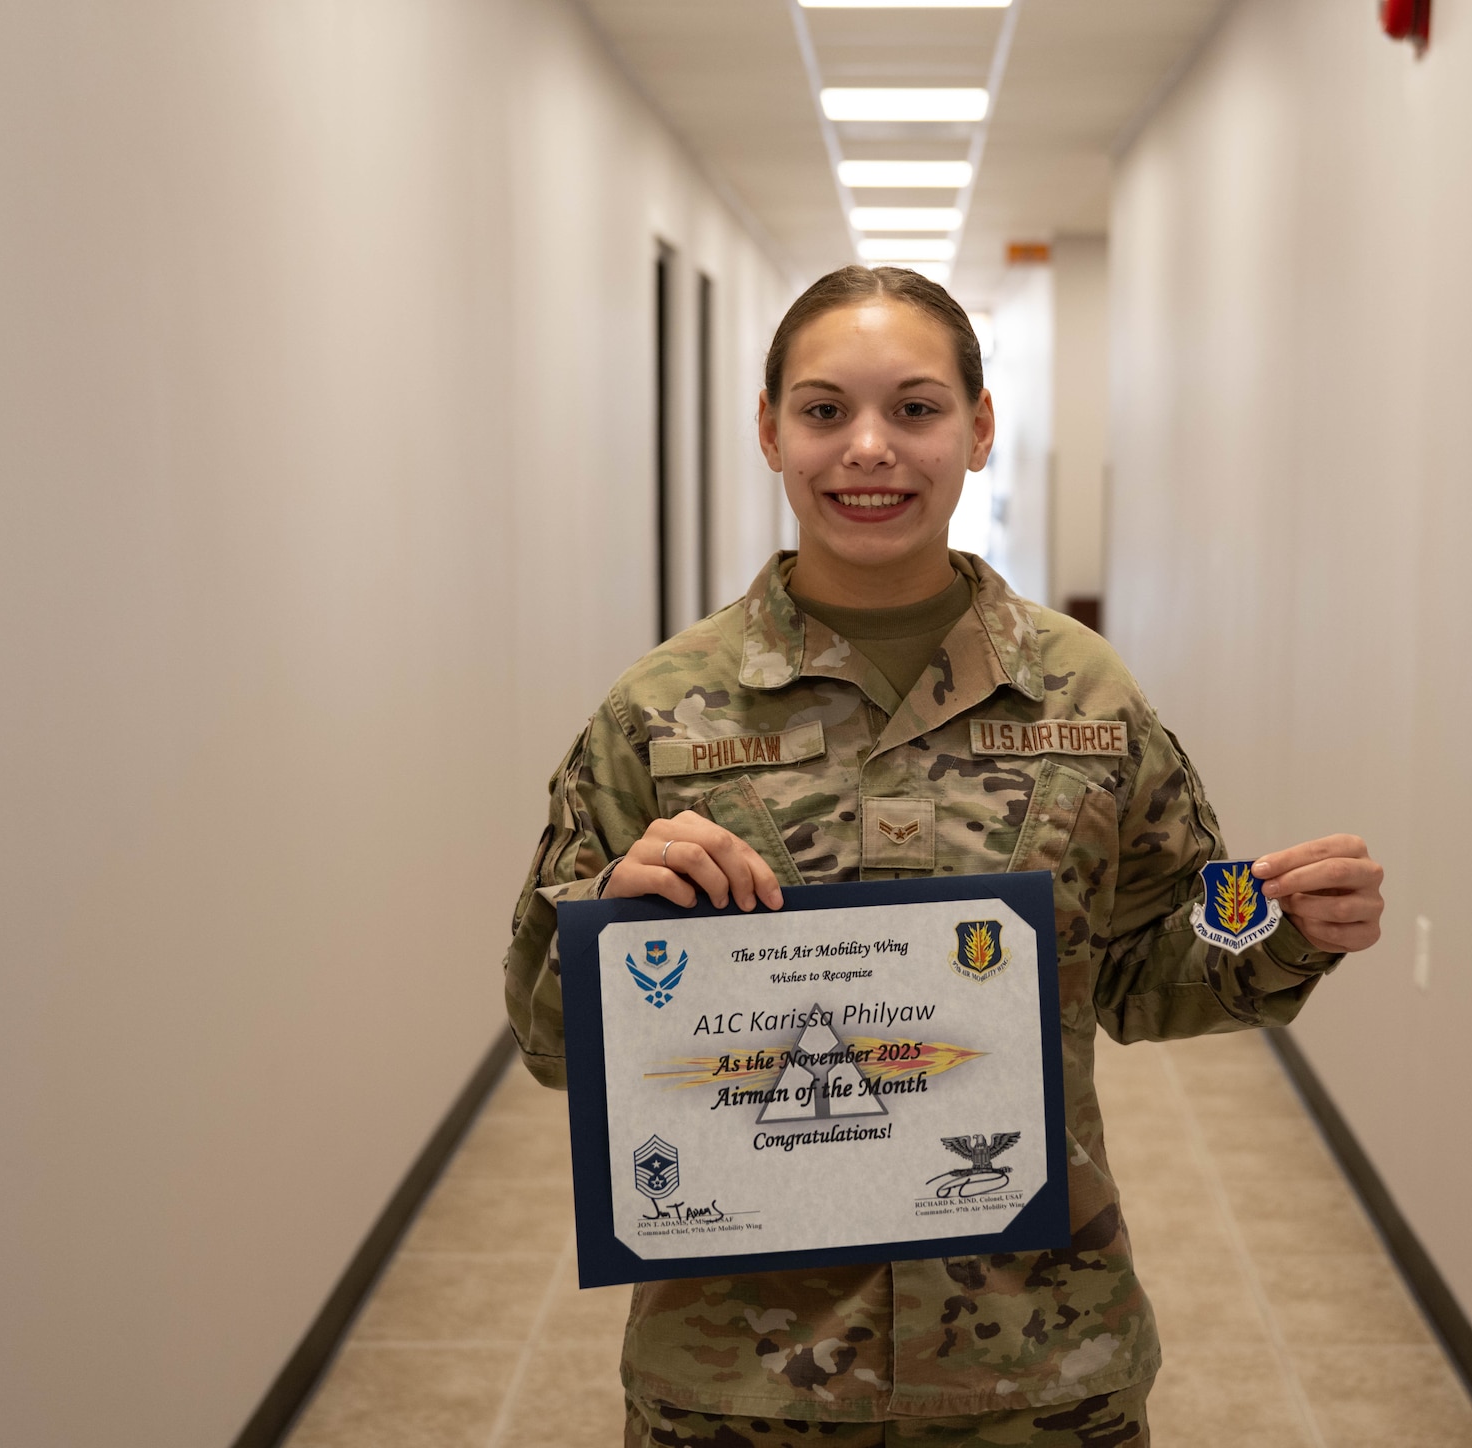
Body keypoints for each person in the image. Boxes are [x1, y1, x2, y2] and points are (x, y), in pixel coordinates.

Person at [503, 265, 1386, 1447]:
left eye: (915, 409)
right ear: (768, 431)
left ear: (977, 429)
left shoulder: (1085, 692)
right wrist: (616, 917)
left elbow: (1144, 967)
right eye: (823, 411)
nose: (868, 448)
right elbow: (548, 1041)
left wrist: (1278, 924)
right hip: (743, 1381)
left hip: (1033, 1367)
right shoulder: (659, 713)